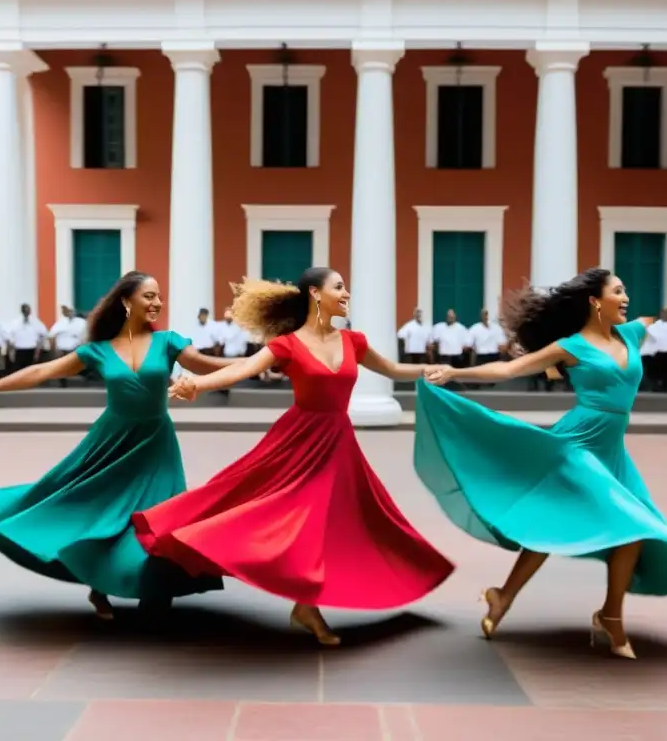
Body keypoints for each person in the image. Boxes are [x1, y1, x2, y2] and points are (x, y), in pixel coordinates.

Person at [133, 268, 455, 646]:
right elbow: (241, 370)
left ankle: (308, 604)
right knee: (276, 510)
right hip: (299, 440)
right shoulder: (287, 345)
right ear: (316, 294)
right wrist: (197, 384)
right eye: (339, 287)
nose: (347, 293)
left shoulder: (353, 341)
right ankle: (304, 605)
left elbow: (395, 370)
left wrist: (433, 370)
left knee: (356, 520)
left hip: (337, 442)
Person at [416, 268, 667, 660]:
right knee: (610, 520)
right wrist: (455, 372)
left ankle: (585, 610)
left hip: (612, 450)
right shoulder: (571, 346)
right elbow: (509, 369)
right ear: (595, 301)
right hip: (577, 444)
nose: (626, 296)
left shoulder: (633, 333)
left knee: (631, 528)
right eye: (618, 290)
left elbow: (655, 320)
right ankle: (545, 605)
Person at [0, 272, 235, 620]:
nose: (156, 303)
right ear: (126, 302)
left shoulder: (169, 342)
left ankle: (148, 589)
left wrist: (263, 361)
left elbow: (206, 365)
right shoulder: (98, 350)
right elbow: (41, 372)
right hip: (110, 442)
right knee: (65, 500)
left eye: (159, 297)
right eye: (148, 296)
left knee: (156, 517)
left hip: (155, 444)